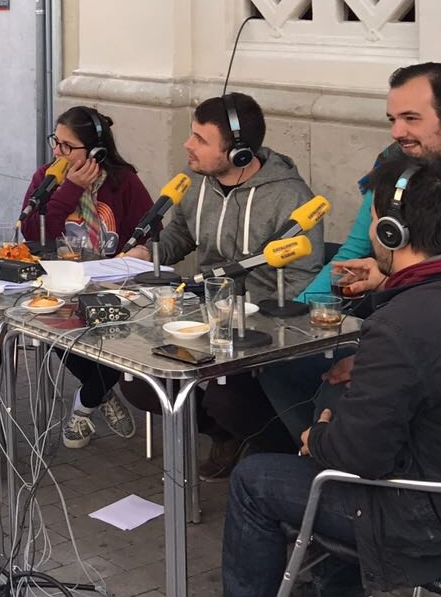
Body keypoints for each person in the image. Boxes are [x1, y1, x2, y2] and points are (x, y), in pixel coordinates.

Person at [176, 157, 441, 597]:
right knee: (335, 401)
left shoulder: (405, 324)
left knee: (260, 482)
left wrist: (316, 435)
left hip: (436, 524)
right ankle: (335, 595)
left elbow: (358, 458)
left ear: (391, 232)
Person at [262, 62, 441, 444]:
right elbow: (354, 252)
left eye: (410, 118)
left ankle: (334, 467)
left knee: (336, 396)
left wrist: (377, 361)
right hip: (379, 332)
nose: (396, 132)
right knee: (272, 367)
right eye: (392, 118)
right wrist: (293, 320)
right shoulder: (393, 168)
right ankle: (307, 457)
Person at [127, 93, 323, 476]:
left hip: (259, 327)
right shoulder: (197, 184)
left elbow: (303, 277)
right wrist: (143, 254)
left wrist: (258, 323)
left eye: (201, 139)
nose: (188, 145)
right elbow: (178, 238)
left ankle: (277, 458)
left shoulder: (291, 196)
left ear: (238, 153)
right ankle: (226, 436)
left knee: (226, 396)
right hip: (203, 312)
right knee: (139, 383)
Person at [21, 107, 152, 448]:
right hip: (62, 282)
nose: (57, 152)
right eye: (56, 142)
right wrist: (68, 190)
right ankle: (102, 394)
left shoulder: (124, 181)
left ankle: (85, 404)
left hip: (115, 286)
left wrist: (135, 253)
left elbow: (151, 229)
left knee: (117, 341)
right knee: (53, 329)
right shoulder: (46, 178)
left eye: (67, 146)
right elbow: (33, 231)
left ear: (95, 152)